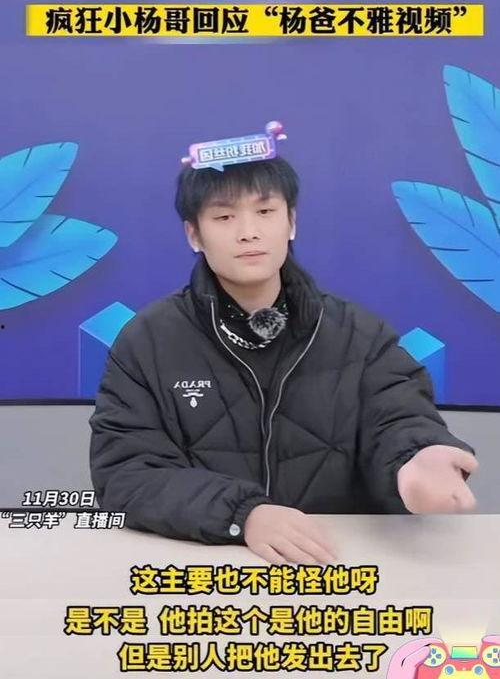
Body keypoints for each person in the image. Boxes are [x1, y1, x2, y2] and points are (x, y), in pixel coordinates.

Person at [89, 123, 478, 565]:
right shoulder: (148, 340)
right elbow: (126, 473)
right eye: (224, 217)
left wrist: (415, 460)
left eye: (265, 211)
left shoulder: (358, 334)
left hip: (335, 565)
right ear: (194, 235)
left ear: (291, 222)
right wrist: (243, 515)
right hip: (205, 569)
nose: (248, 232)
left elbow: (399, 417)